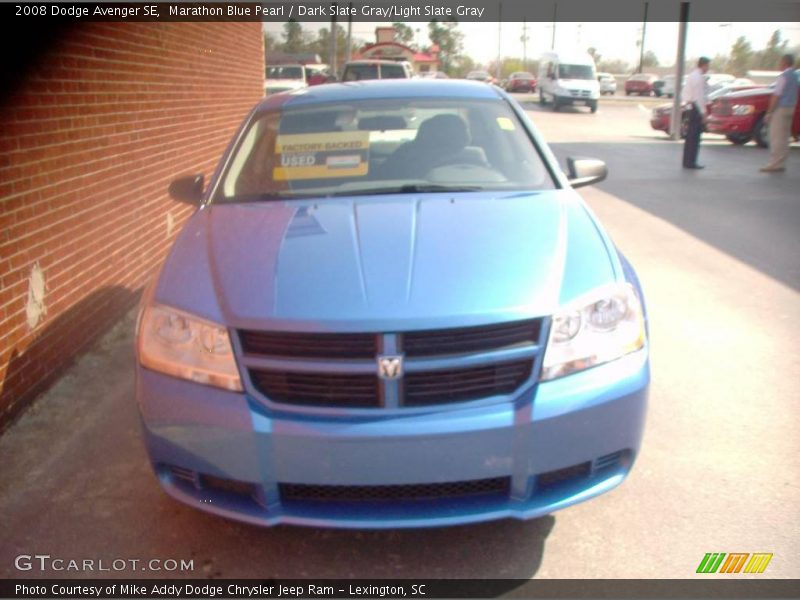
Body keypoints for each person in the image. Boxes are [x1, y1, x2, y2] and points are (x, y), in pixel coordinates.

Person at [760, 54, 798, 173]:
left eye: (781, 62)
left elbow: (777, 94)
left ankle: (774, 163)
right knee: (785, 136)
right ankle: (782, 161)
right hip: (791, 107)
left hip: (781, 108)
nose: (779, 64)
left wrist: (769, 112)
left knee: (776, 136)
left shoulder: (783, 76)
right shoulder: (795, 75)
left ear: (784, 62)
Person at [683, 57, 710, 169]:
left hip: (690, 107)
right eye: (707, 66)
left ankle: (687, 161)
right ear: (704, 65)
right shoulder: (698, 78)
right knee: (695, 137)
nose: (708, 68)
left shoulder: (691, 76)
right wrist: (704, 113)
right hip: (696, 108)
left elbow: (685, 93)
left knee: (689, 137)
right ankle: (691, 161)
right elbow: (699, 98)